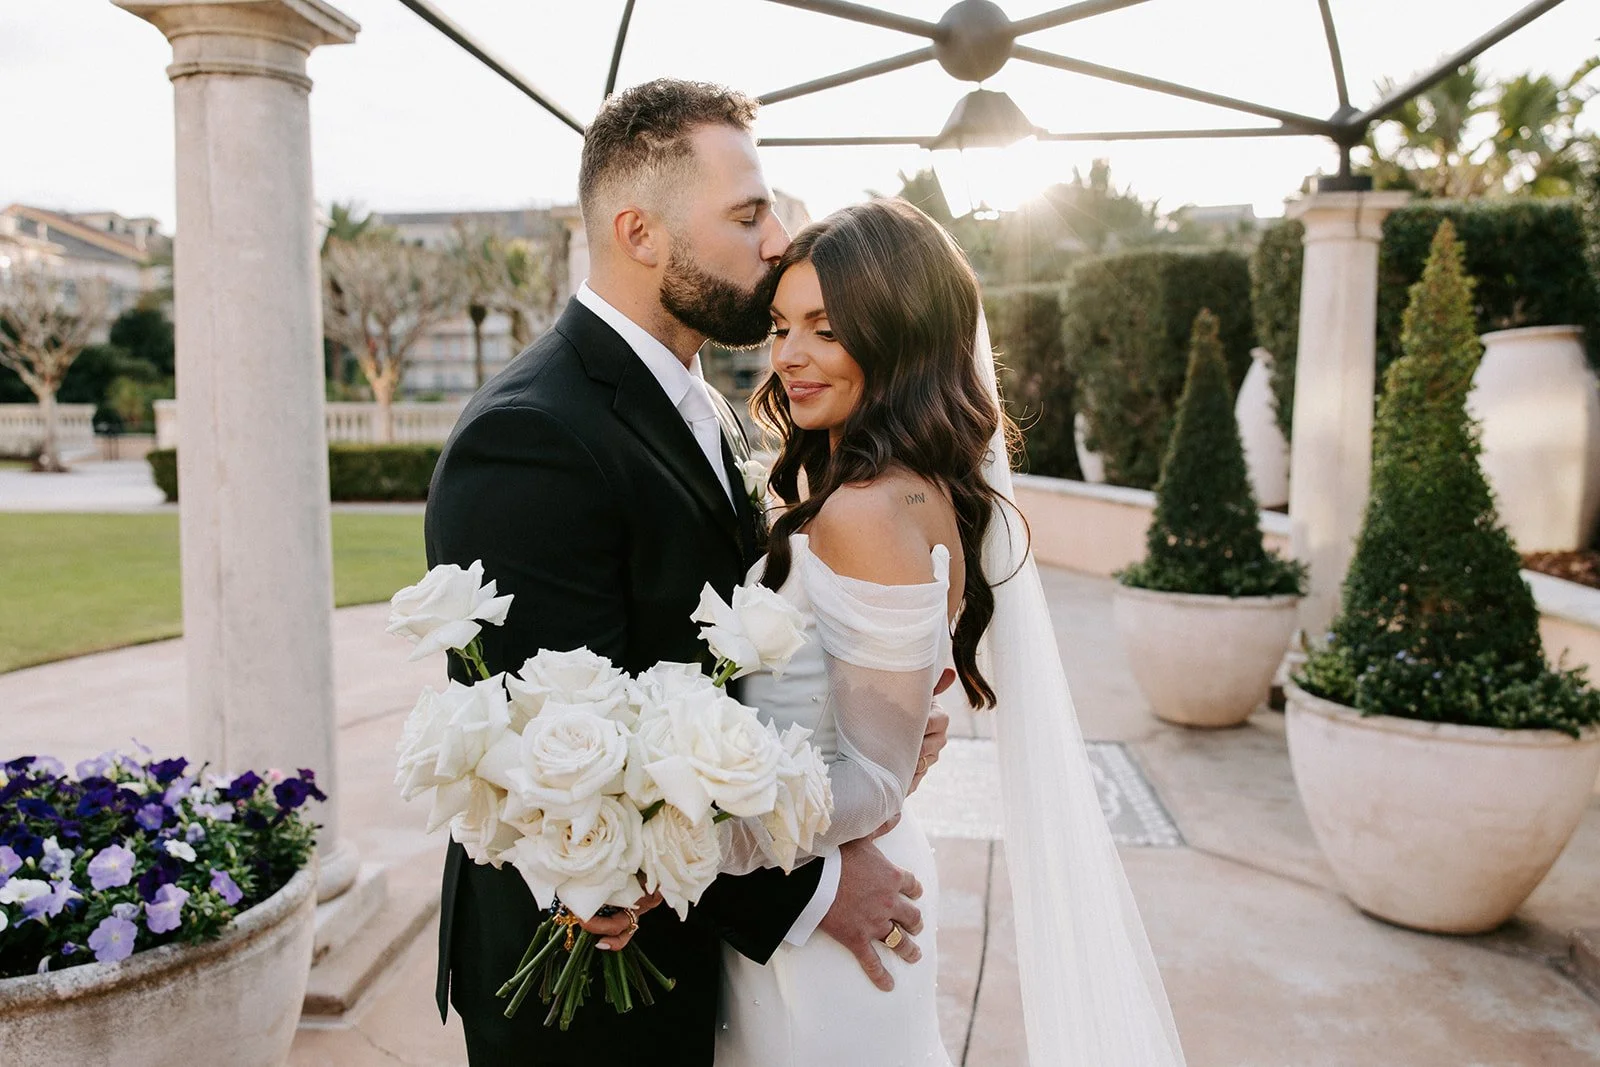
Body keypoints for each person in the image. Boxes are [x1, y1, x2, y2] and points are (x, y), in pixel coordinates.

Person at [422, 79, 948, 1067]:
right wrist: (815, 884)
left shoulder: (715, 411)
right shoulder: (532, 438)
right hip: (589, 985)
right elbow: (575, 769)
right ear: (641, 232)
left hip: (697, 957)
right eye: (747, 215)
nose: (777, 240)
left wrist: (862, 726)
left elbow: (728, 669)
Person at [712, 198, 1190, 1067]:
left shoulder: (865, 510)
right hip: (838, 885)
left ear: (899, 338)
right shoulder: (908, 487)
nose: (789, 356)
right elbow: (881, 750)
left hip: (831, 921)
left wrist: (685, 833)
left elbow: (873, 782)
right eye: (782, 326)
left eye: (826, 329)